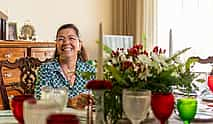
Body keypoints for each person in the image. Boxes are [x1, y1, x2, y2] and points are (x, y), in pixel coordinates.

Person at [34, 23, 96, 109]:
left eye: (71, 38)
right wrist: (69, 102)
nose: (66, 42)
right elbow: (39, 98)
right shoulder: (46, 69)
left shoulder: (91, 69)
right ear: (56, 45)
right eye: (61, 39)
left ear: (79, 45)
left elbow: (99, 97)